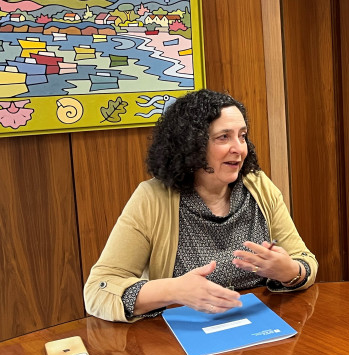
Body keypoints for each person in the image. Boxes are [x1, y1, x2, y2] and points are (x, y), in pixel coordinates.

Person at [84, 89, 317, 322]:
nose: (239, 148)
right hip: (182, 337)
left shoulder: (259, 185)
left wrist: (290, 272)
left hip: (260, 324)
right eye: (223, 137)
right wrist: (174, 290)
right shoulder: (152, 198)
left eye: (242, 136)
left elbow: (304, 259)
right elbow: (97, 291)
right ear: (191, 145)